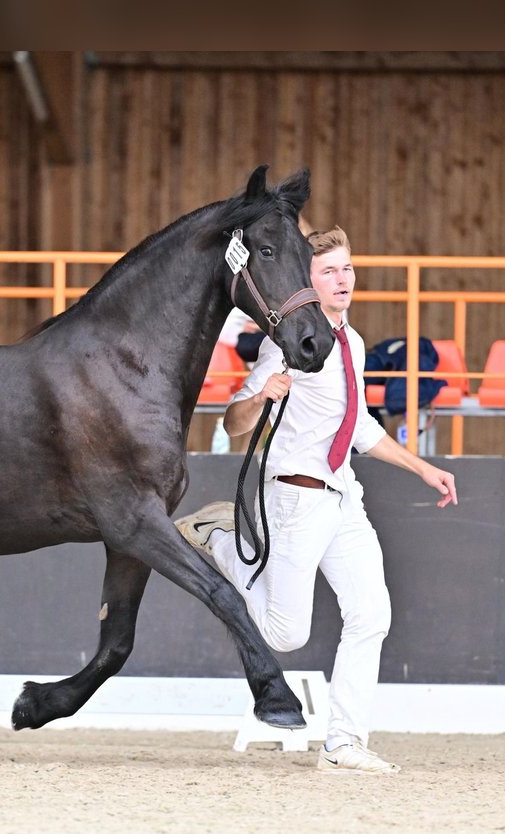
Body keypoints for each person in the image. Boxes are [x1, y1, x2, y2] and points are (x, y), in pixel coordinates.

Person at [176, 226, 457, 775]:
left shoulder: (350, 343)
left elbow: (361, 430)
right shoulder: (287, 344)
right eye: (328, 271)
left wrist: (423, 468)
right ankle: (221, 539)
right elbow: (232, 424)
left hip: (344, 498)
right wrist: (262, 395)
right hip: (296, 500)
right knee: (286, 635)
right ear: (307, 281)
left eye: (347, 268)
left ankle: (344, 741)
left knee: (371, 614)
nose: (342, 278)